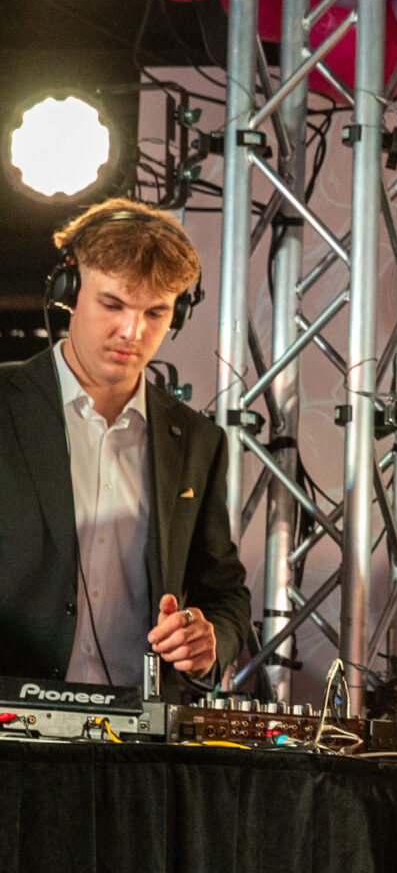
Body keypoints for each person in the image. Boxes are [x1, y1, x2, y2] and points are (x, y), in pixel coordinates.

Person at [0, 199, 248, 687]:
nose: (132, 331)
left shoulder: (198, 441)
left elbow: (224, 593)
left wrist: (209, 640)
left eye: (156, 312)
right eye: (112, 305)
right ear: (69, 292)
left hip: (140, 725)